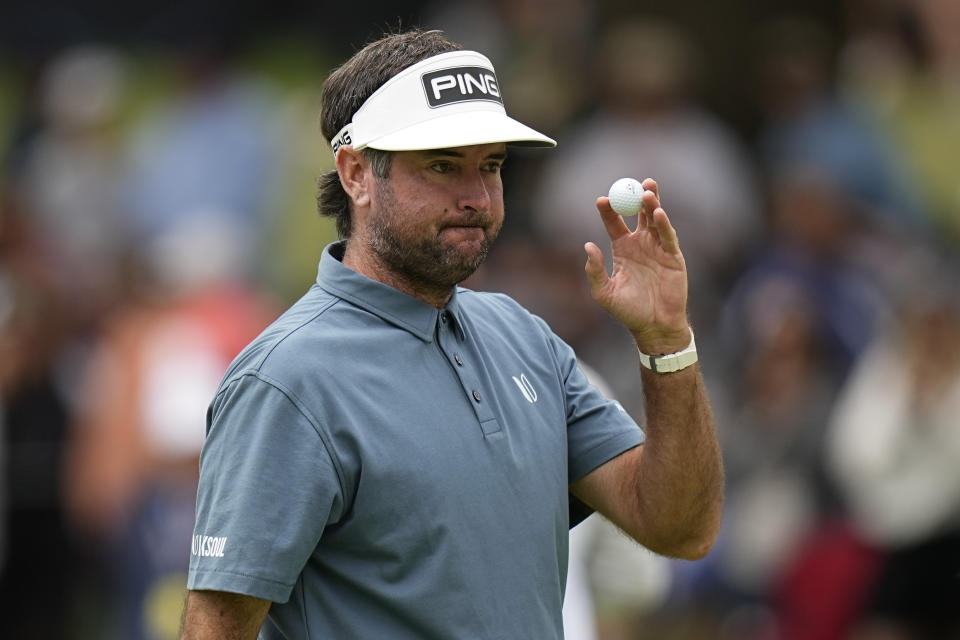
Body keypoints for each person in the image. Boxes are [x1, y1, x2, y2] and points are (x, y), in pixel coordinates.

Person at [180, 28, 723, 640]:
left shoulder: (524, 339)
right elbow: (216, 629)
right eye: (442, 166)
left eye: (490, 166)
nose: (476, 197)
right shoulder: (286, 381)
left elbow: (680, 527)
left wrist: (666, 339)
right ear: (356, 174)